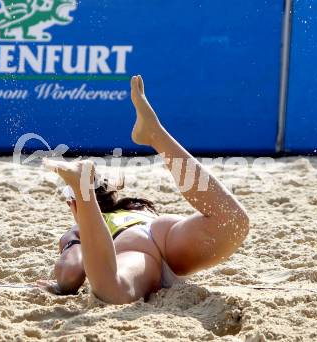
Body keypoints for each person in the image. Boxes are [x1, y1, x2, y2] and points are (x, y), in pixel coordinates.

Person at [43, 75, 250, 304]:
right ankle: (155, 134)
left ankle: (81, 186)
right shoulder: (136, 207)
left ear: (74, 205)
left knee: (111, 290)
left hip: (134, 249)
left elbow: (71, 275)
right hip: (162, 230)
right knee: (232, 221)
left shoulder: (79, 229)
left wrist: (60, 280)